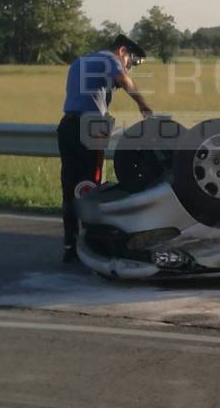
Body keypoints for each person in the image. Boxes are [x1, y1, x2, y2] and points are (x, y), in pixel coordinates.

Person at [57, 34, 153, 262]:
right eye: (130, 60)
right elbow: (123, 79)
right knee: (92, 184)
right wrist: (144, 105)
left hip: (68, 125)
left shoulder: (80, 61)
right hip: (91, 125)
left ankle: (70, 244)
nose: (129, 66)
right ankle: (93, 244)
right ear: (121, 51)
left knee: (70, 186)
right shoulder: (110, 59)